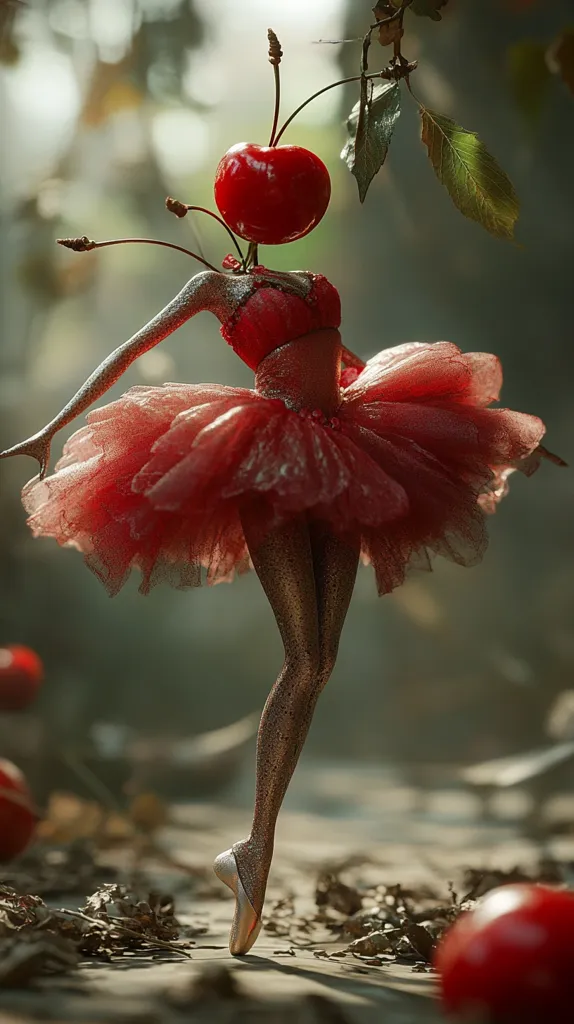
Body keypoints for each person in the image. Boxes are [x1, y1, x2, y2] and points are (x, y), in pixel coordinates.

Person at [0, 262, 553, 954]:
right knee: (304, 655)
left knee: (321, 661)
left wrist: (484, 431)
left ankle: (249, 849)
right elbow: (128, 350)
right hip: (265, 450)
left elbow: (347, 362)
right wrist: (50, 428)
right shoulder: (213, 285)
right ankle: (257, 846)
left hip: (347, 443)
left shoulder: (305, 276)